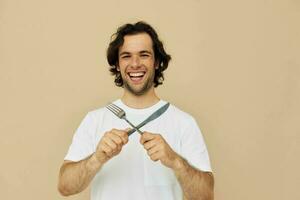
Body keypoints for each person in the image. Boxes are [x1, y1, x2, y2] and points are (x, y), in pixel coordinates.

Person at [58, 21, 214, 200]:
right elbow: (65, 187)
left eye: (144, 55)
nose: (135, 64)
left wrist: (175, 161)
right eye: (126, 56)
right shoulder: (94, 120)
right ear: (117, 64)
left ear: (156, 62)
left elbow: (206, 196)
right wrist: (96, 159)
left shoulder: (184, 123)